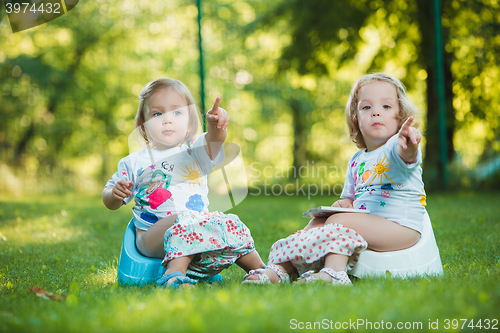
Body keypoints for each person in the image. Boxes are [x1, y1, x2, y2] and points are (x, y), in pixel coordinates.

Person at [243, 73, 426, 285]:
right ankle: (280, 269)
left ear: (401, 116)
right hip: (371, 224)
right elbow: (350, 200)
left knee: (340, 221)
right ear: (356, 117)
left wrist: (409, 144)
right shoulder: (358, 160)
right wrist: (344, 204)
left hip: (401, 228)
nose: (376, 112)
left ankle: (334, 273)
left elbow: (406, 155)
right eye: (367, 108)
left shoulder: (395, 147)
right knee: (317, 222)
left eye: (386, 107)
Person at [103, 78, 265, 288]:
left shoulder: (195, 152)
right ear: (143, 124)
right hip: (152, 238)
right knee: (184, 221)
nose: (167, 120)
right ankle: (174, 276)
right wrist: (114, 193)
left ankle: (261, 270)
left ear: (190, 123)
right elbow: (110, 200)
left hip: (198, 230)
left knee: (230, 223)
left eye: (176, 112)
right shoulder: (134, 161)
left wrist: (216, 126)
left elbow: (214, 141)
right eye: (157, 114)